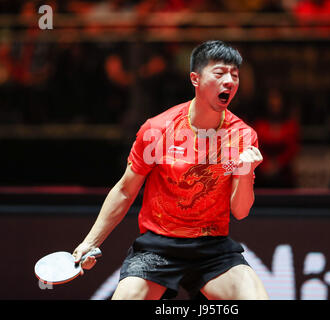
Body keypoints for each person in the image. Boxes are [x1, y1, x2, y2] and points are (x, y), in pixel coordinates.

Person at [72, 40, 269, 300]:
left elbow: (240, 212)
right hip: (158, 246)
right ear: (195, 79)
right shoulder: (158, 129)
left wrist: (245, 173)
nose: (229, 81)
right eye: (220, 73)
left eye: (235, 75)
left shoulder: (243, 136)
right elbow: (124, 191)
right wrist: (90, 242)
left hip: (212, 248)